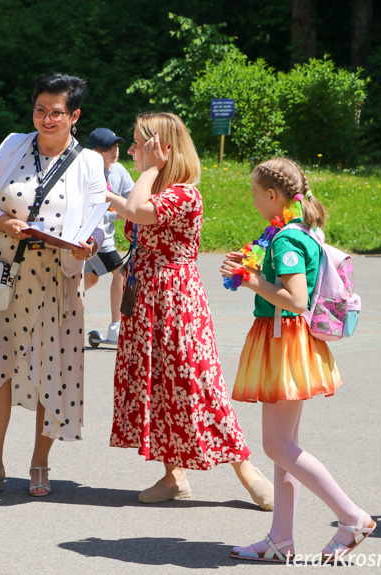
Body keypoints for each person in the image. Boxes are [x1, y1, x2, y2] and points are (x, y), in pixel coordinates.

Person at [105, 112, 273, 510]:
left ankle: (246, 470)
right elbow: (130, 209)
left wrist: (152, 168)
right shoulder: (157, 190)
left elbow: (137, 211)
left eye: (137, 145)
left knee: (197, 383)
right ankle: (172, 476)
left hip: (175, 301)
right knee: (157, 387)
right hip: (146, 298)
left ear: (161, 149)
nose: (130, 152)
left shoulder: (185, 193)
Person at [222, 158, 374, 564]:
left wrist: (250, 279)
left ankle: (351, 516)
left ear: (273, 195)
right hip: (288, 341)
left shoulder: (288, 239)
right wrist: (252, 267)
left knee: (277, 445)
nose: (252, 201)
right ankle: (280, 540)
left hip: (283, 339)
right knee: (283, 446)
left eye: (255, 194)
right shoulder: (297, 230)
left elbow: (295, 299)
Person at [0, 73, 106, 498]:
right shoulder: (12, 145)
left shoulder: (88, 163)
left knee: (52, 371)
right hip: (7, 275)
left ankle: (40, 462)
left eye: (57, 113)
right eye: (40, 111)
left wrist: (89, 245)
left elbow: (102, 220)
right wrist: (4, 222)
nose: (47, 119)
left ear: (74, 116)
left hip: (57, 282)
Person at [83, 128, 134, 343]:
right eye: (107, 148)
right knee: (120, 272)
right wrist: (118, 214)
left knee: (91, 279)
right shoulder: (86, 173)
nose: (114, 151)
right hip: (92, 238)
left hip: (107, 238)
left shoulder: (119, 170)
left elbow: (133, 202)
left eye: (116, 146)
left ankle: (55, 299)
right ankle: (116, 327)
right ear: (93, 152)